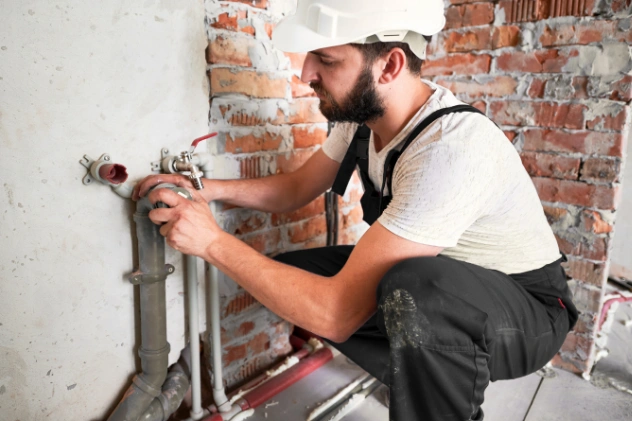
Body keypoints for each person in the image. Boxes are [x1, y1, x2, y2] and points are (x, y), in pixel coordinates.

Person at [133, 1, 578, 419]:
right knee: (297, 277)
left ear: (390, 66)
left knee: (412, 291)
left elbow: (333, 314)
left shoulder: (450, 148)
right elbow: (294, 189)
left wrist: (212, 242)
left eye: (326, 60)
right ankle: (421, 374)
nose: (306, 71)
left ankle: (440, 399)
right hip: (446, 281)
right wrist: (205, 189)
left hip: (529, 308)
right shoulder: (360, 123)